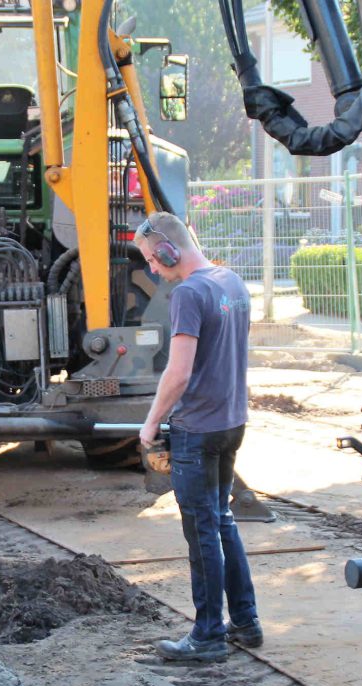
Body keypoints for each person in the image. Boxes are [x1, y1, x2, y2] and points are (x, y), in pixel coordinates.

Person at [134, 211, 262, 662]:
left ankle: (207, 635)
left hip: (198, 431)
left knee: (202, 529)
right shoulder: (231, 282)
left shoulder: (188, 293)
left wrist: (151, 422)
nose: (152, 267)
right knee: (222, 519)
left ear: (169, 250)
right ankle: (245, 622)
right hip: (231, 423)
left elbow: (179, 373)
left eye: (152, 258)